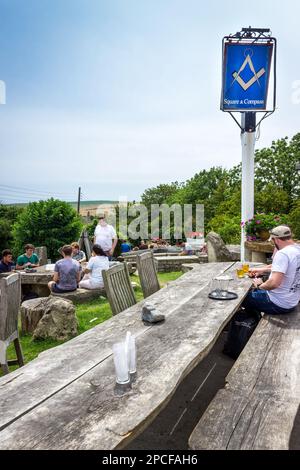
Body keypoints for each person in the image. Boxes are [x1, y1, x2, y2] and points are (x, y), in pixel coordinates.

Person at [243, 225, 300, 315]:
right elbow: (283, 267)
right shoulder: (297, 249)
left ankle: (249, 324)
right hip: (292, 301)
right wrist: (261, 270)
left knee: (242, 297)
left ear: (276, 239)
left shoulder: (283, 253)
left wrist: (259, 285)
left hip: (278, 303)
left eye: (272, 241)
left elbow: (274, 283)